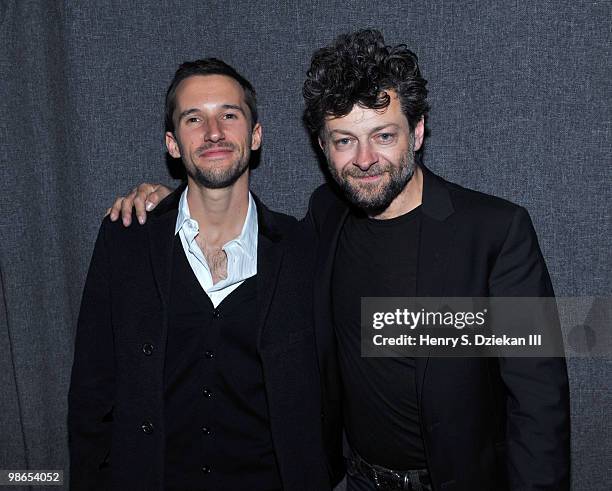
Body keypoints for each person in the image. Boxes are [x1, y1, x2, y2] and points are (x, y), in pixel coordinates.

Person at [110, 30, 570, 491]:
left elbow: (539, 404)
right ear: (322, 147)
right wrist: (166, 202)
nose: (365, 159)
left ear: (418, 131)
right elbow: (231, 220)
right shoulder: (324, 218)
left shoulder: (495, 231)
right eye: (344, 140)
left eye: (383, 135)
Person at [69, 58, 343, 491]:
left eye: (228, 115)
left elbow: (335, 390)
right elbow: (92, 390)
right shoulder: (126, 241)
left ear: (255, 136)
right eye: (194, 118)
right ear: (173, 144)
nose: (213, 132)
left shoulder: (304, 249)